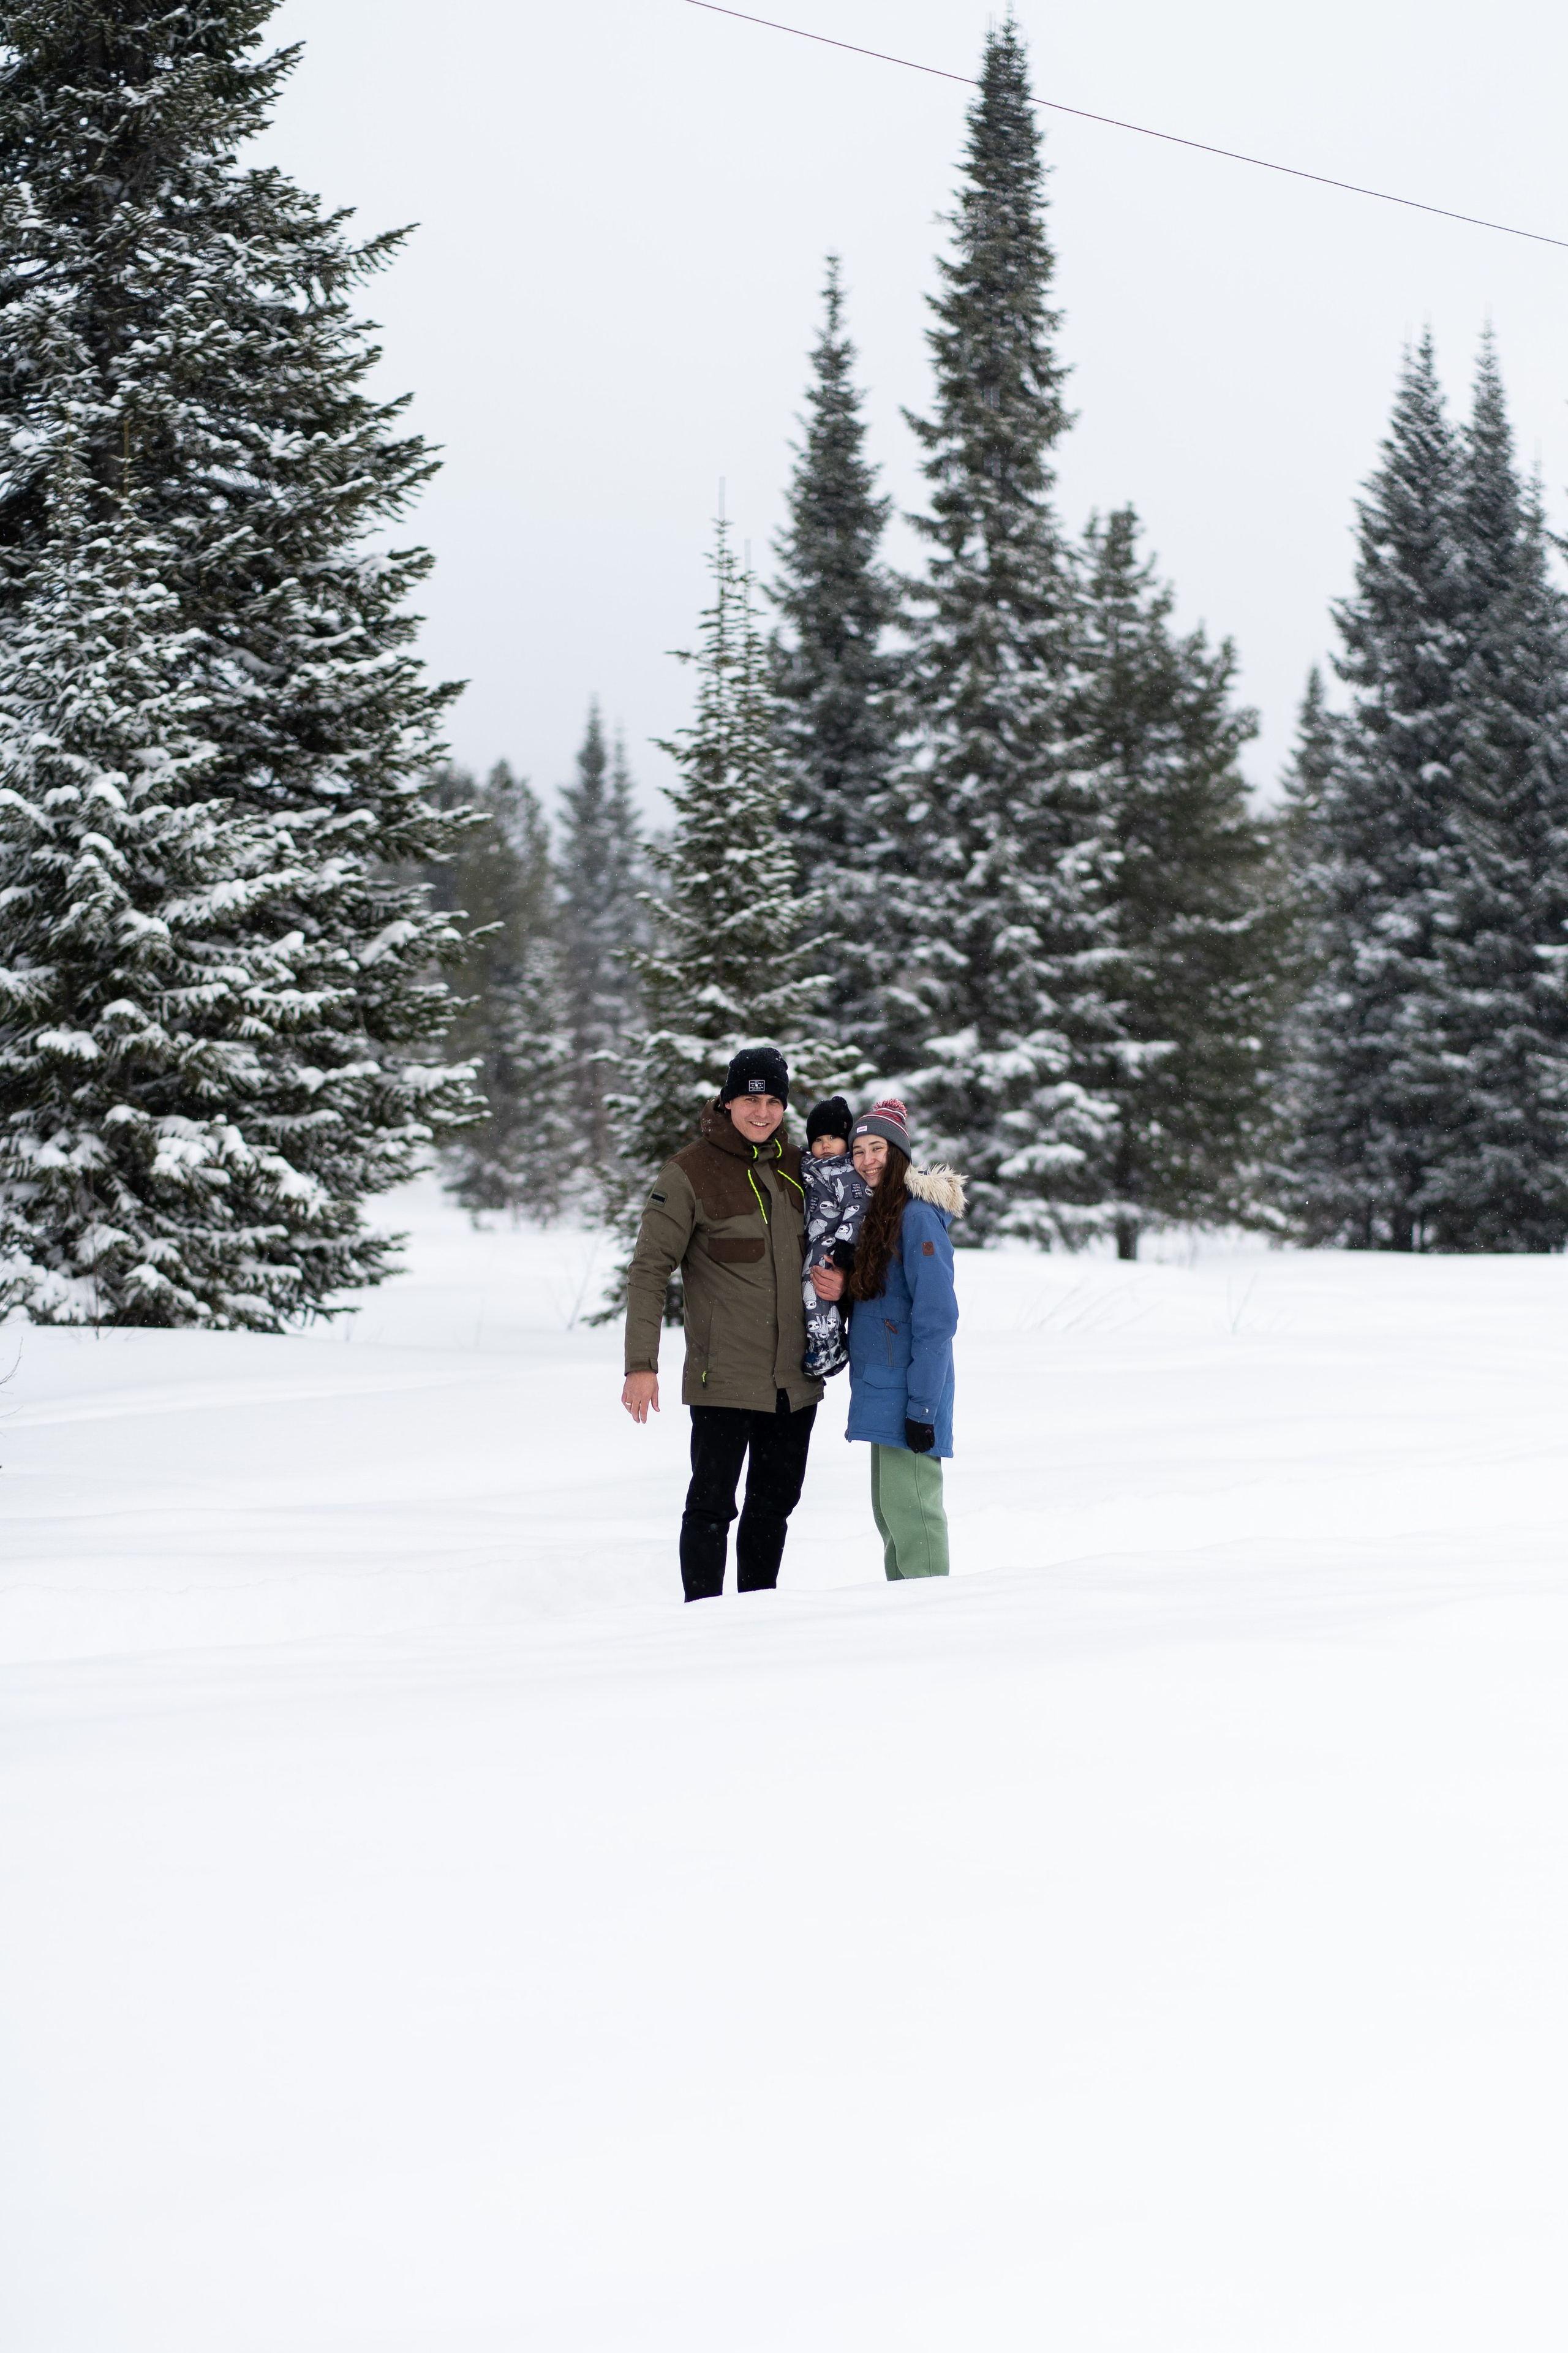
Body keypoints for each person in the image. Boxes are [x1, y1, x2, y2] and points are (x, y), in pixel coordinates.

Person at [622, 1046, 823, 1602]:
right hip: (724, 1379)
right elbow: (648, 1269)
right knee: (712, 1505)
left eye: (773, 1101)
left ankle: (758, 1614)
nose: (762, 1113)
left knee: (774, 1505)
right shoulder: (689, 1172)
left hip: (795, 1380)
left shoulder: (801, 1167)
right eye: (750, 1100)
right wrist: (641, 1365)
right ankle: (702, 1620)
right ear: (728, 1101)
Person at [809, 1098, 965, 1581]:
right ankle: (901, 1622)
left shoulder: (917, 1217)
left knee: (916, 1519)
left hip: (910, 1396)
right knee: (892, 1519)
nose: (867, 1159)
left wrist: (922, 1408)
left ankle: (929, 1621)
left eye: (878, 1147)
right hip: (881, 1390)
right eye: (858, 1151)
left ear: (898, 1153)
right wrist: (846, 1290)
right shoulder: (879, 1218)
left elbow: (936, 1320)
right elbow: (887, 1303)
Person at [799, 1095, 872, 1379]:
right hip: (812, 1240)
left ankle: (828, 1342)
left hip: (830, 1242)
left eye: (833, 1137)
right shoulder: (810, 1167)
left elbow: (858, 1208)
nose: (825, 1145)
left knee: (818, 1288)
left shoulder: (847, 1173)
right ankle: (823, 1342)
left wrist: (845, 1244)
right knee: (810, 1289)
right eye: (818, 1139)